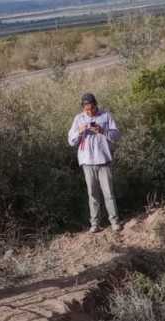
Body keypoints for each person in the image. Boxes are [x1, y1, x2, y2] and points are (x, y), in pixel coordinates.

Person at [68, 92, 122, 233]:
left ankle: (114, 222)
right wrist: (80, 131)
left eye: (91, 108)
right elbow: (71, 141)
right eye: (86, 109)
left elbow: (117, 135)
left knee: (108, 193)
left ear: (95, 105)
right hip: (87, 162)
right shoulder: (78, 119)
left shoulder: (106, 116)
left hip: (103, 160)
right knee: (92, 194)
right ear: (83, 108)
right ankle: (95, 224)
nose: (89, 111)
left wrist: (102, 130)